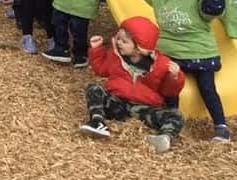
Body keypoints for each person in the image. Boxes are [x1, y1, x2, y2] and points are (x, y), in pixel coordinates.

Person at [139, 0, 231, 142]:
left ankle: (221, 126)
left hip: (200, 53)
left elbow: (215, 7)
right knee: (170, 87)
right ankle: (172, 123)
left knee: (207, 87)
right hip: (172, 54)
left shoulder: (198, 0)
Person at [79, 17, 185, 154]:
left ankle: (164, 137)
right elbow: (101, 70)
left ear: (139, 49)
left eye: (124, 41)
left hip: (144, 109)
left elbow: (169, 91)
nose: (119, 43)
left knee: (176, 115)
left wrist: (175, 77)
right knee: (94, 88)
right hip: (117, 104)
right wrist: (97, 50)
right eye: (119, 39)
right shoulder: (115, 56)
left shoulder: (161, 65)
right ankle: (98, 121)